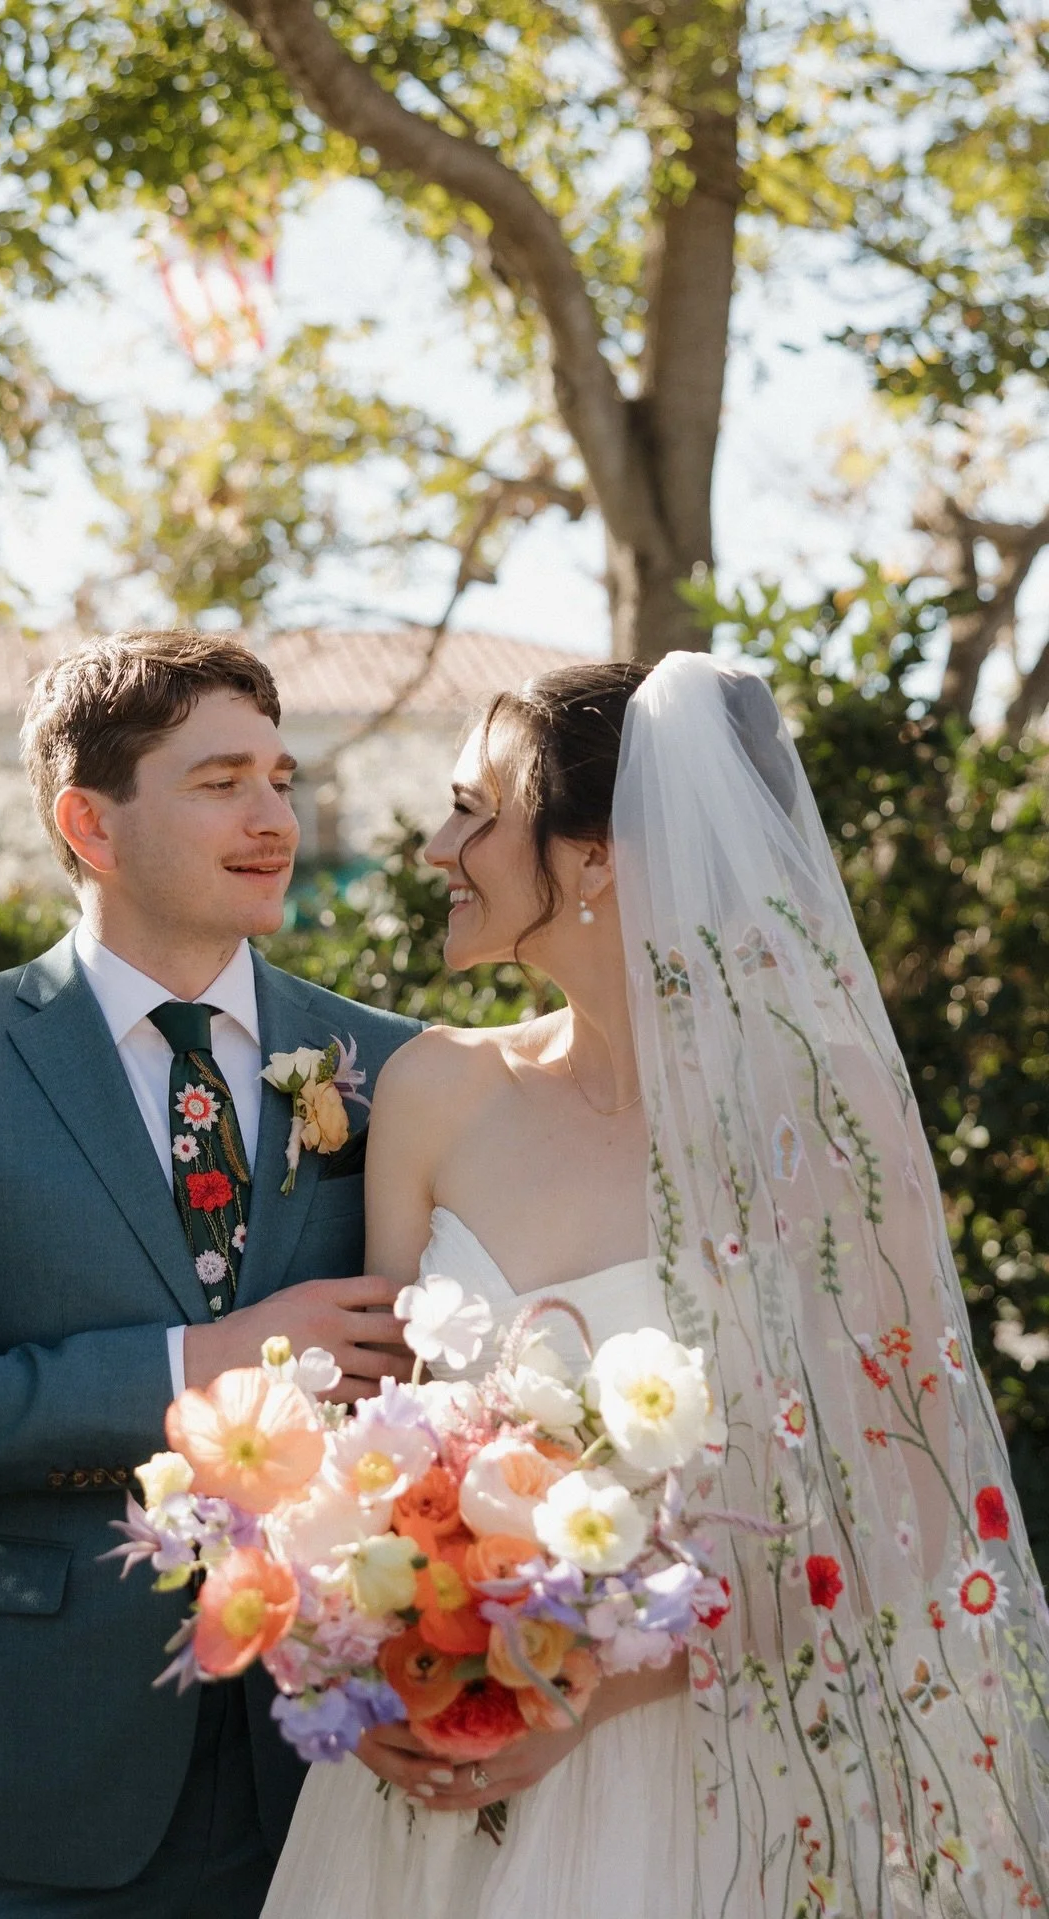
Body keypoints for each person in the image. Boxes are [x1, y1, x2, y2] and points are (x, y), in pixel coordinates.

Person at [263, 653, 1049, 1918]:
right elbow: (376, 1454)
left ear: (593, 857)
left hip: (711, 1770)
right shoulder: (434, 1089)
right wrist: (370, 1655)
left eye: (475, 809)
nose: (433, 845)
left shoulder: (821, 1113)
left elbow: (896, 1508)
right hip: (433, 1780)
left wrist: (585, 1690)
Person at [0, 629, 419, 1918]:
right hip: (20, 1782)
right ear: (89, 823)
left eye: (281, 776)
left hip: (325, 1769)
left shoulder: (395, 1065)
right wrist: (198, 1364)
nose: (275, 818)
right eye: (220, 782)